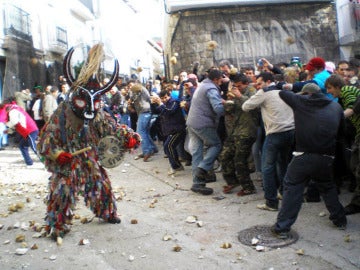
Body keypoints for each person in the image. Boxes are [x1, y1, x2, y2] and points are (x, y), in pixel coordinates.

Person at [37, 44, 141, 240]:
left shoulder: (97, 114)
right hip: (68, 162)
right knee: (63, 191)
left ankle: (107, 212)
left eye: (96, 103)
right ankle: (57, 225)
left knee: (101, 185)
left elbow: (111, 128)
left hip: (90, 158)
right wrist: (57, 154)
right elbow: (46, 139)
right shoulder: (63, 112)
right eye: (85, 102)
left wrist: (128, 138)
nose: (90, 109)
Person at [272, 83, 347, 239]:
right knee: (327, 187)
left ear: (306, 94)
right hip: (326, 157)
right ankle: (340, 220)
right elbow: (342, 134)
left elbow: (283, 93)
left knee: (292, 187)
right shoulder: (336, 107)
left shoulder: (301, 102)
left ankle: (282, 228)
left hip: (303, 156)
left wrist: (300, 94)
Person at [242, 72, 295, 211]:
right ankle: (284, 193)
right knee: (283, 163)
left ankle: (271, 202)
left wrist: (257, 95)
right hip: (291, 132)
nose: (257, 85)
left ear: (268, 81)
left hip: (275, 134)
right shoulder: (284, 90)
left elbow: (245, 106)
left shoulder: (264, 93)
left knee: (267, 168)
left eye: (260, 83)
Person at [325, 74, 360, 215]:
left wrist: (333, 120)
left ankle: (357, 204)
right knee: (354, 166)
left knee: (357, 168)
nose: (328, 91)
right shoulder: (344, 94)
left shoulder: (347, 91)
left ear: (338, 87)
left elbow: (351, 109)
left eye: (329, 88)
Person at [186, 69, 225, 195]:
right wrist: (229, 105)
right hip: (203, 123)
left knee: (197, 152)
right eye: (220, 80)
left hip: (192, 122)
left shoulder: (202, 85)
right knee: (216, 145)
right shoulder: (211, 89)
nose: (221, 82)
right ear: (216, 79)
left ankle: (197, 183)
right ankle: (203, 168)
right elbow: (218, 109)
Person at [220, 72, 259, 196]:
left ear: (246, 84)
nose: (238, 88)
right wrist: (228, 101)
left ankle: (248, 187)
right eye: (235, 86)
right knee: (224, 155)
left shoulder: (252, 91)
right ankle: (232, 181)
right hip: (236, 130)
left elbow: (253, 105)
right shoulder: (237, 92)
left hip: (248, 130)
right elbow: (230, 111)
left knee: (239, 160)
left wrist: (239, 96)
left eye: (240, 86)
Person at [151, 90, 186, 175]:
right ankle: (176, 165)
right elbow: (156, 111)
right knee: (168, 147)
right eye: (162, 98)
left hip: (178, 129)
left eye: (165, 97)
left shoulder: (174, 102)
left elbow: (170, 111)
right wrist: (153, 103)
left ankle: (176, 166)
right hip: (171, 130)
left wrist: (161, 104)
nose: (164, 100)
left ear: (169, 96)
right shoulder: (164, 104)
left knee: (169, 146)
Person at [129, 83, 158, 161]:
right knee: (145, 132)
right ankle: (152, 148)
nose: (130, 87)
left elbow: (147, 99)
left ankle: (147, 151)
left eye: (131, 86)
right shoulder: (137, 92)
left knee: (140, 133)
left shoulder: (140, 90)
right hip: (145, 112)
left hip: (144, 112)